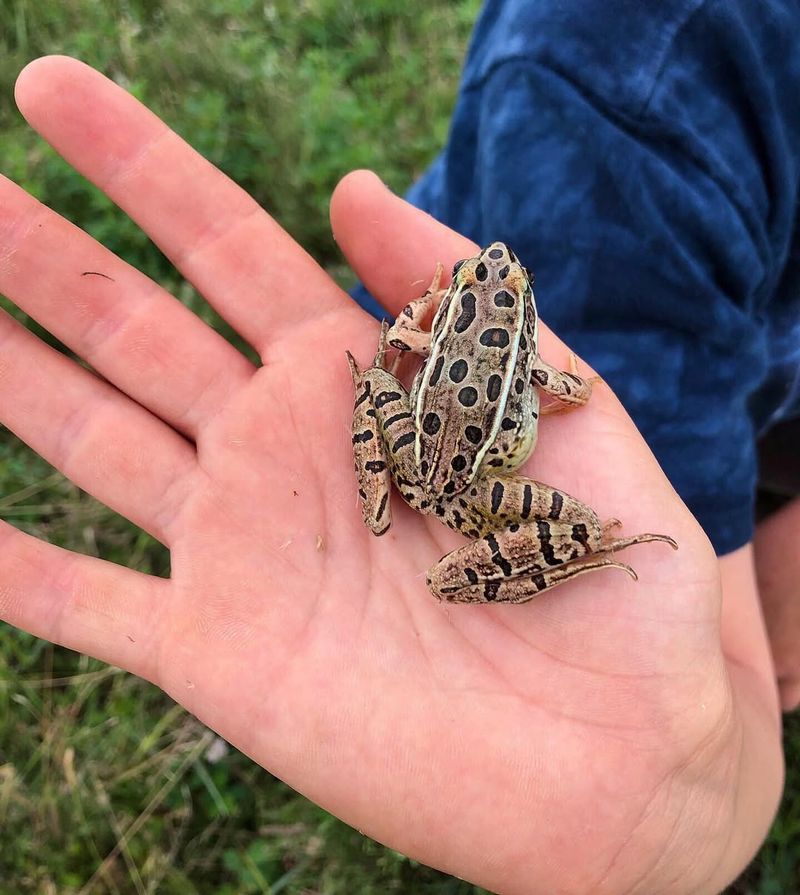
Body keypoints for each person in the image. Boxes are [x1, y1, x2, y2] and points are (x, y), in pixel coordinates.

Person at [0, 48, 784, 895]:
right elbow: (565, 390)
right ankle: (562, 555)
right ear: (515, 325)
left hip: (416, 469)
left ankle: (407, 514)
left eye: (505, 286)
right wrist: (564, 383)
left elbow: (404, 348)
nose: (504, 277)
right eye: (503, 285)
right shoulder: (536, 357)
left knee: (380, 385)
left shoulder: (439, 321)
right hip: (478, 490)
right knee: (584, 524)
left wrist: (390, 374)